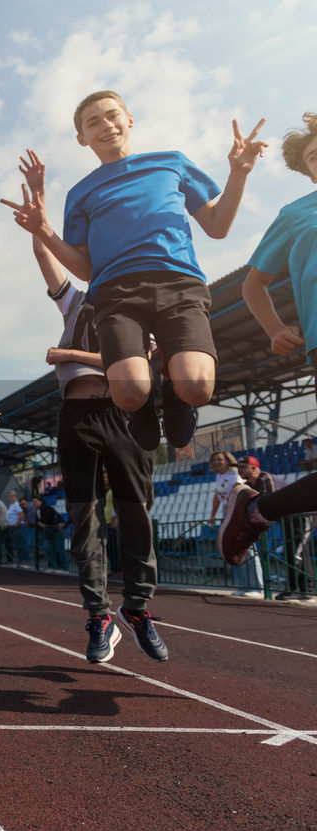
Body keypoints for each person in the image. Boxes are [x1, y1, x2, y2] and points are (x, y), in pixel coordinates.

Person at [2, 91, 267, 451]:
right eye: (92, 122)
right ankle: (140, 406)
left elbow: (217, 227)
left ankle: (176, 393)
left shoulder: (171, 162)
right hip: (116, 294)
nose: (105, 125)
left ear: (129, 119)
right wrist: (43, 230)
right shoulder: (80, 194)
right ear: (82, 138)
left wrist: (239, 173)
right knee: (128, 392)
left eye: (112, 115)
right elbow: (84, 269)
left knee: (197, 386)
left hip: (180, 285)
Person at [18, 150, 165, 662]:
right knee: (85, 520)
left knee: (135, 515)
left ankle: (139, 608)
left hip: (124, 417)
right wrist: (38, 213)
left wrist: (70, 354)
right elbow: (46, 260)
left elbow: (137, 370)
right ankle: (98, 615)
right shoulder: (77, 300)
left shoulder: (144, 309)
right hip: (77, 417)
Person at [225, 112, 317, 582]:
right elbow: (253, 284)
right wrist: (275, 327)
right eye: (314, 156)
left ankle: (257, 509)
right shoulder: (297, 214)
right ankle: (257, 510)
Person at [207, 450, 263, 596]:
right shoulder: (219, 476)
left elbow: (240, 492)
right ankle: (243, 586)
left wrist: (234, 512)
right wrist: (213, 514)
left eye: (220, 459)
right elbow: (217, 495)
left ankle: (256, 587)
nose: (217, 462)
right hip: (228, 510)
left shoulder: (234, 474)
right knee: (233, 548)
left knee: (247, 548)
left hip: (238, 510)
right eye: (214, 460)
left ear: (227, 460)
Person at [31, 496, 67, 571]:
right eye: (33, 502)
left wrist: (42, 523)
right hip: (48, 532)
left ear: (41, 501)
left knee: (60, 550)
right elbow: (36, 520)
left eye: (35, 501)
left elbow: (48, 519)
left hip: (56, 531)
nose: (34, 503)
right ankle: (55, 566)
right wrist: (39, 523)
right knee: (48, 549)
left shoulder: (46, 508)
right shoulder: (37, 510)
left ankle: (65, 567)